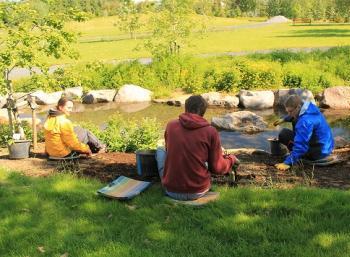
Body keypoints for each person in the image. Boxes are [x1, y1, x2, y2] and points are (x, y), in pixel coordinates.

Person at [158, 95, 239, 201]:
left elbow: (170, 151)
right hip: (198, 191)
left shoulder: (171, 125)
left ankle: (167, 179)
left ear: (186, 108)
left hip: (171, 190)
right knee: (203, 159)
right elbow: (217, 168)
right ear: (203, 112)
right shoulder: (211, 131)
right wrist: (231, 159)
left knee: (160, 150)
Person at [274, 94, 334, 171]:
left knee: (283, 134)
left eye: (290, 111)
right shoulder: (310, 107)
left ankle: (302, 157)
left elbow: (301, 146)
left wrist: (287, 162)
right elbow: (296, 115)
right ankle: (301, 153)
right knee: (295, 120)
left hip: (317, 154)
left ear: (298, 107)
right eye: (287, 112)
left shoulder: (305, 122)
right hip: (326, 148)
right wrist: (285, 119)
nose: (289, 114)